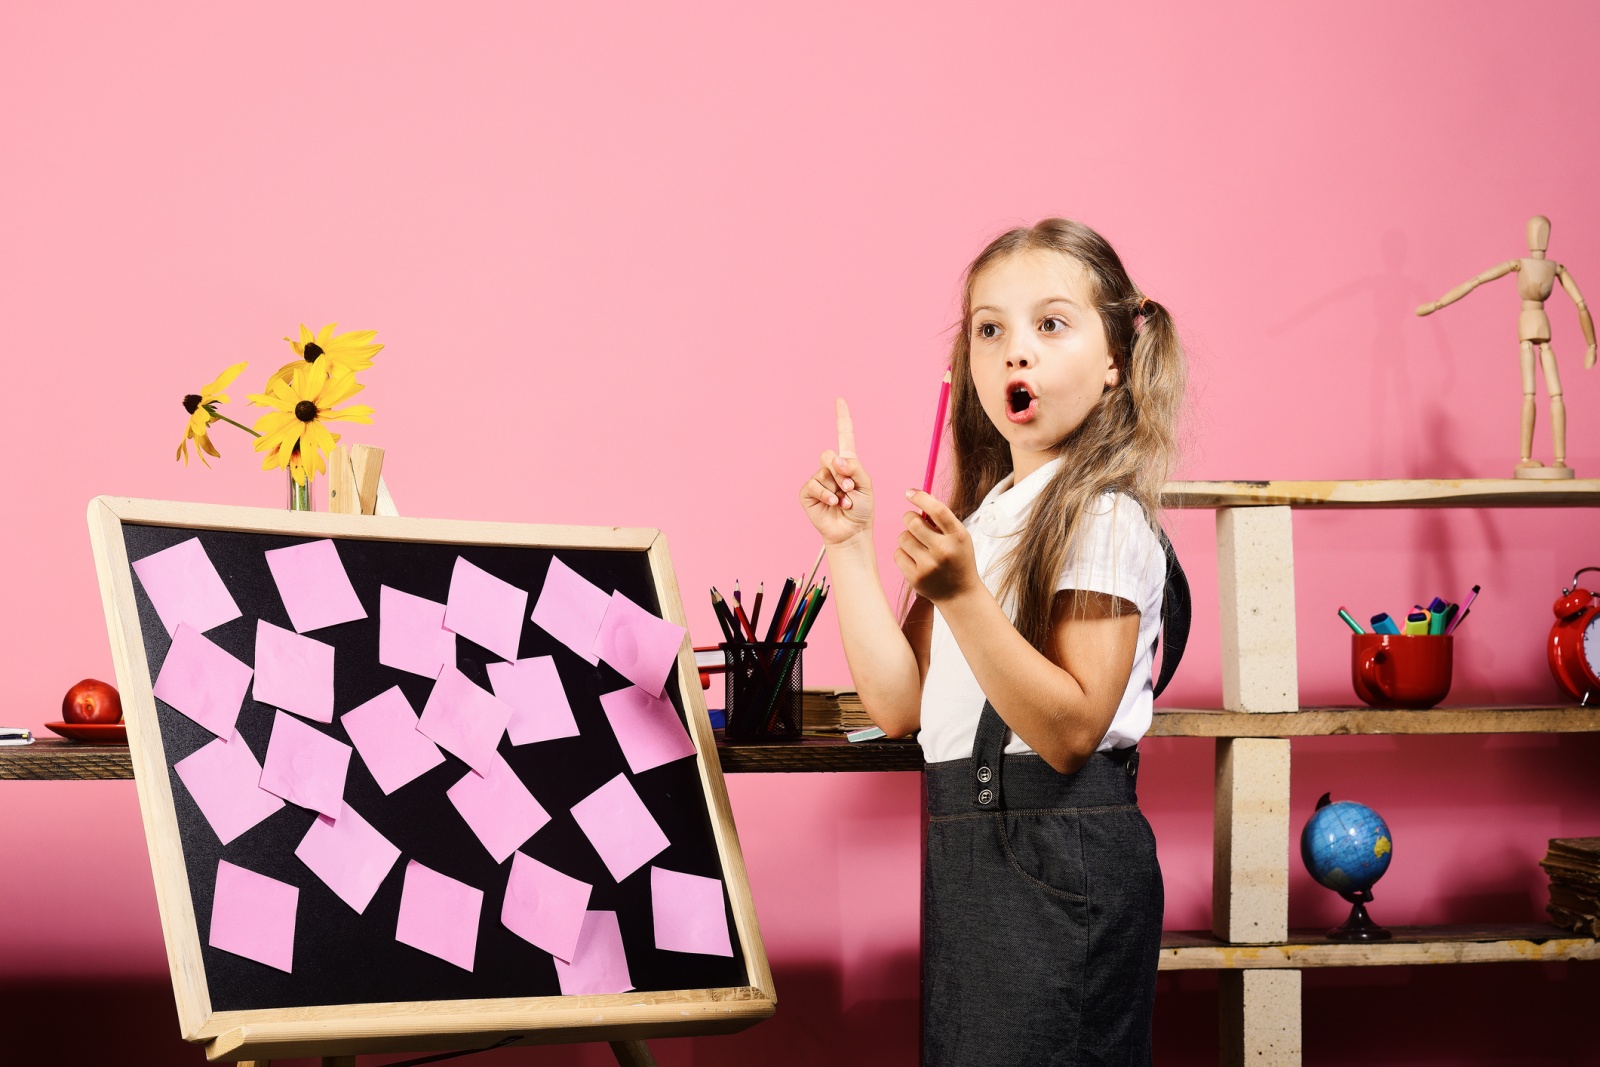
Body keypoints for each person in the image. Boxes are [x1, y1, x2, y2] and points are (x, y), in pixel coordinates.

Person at [798, 218, 1185, 1065]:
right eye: (990, 328)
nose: (1017, 352)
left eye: (1051, 324)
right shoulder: (986, 518)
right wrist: (849, 546)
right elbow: (897, 706)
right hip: (964, 850)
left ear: (1116, 357)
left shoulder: (1106, 516)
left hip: (1061, 854)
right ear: (967, 365)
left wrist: (963, 593)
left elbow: (1069, 730)